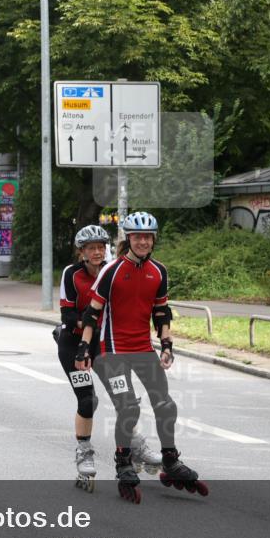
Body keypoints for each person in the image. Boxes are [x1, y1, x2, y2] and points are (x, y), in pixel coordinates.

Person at [75, 212, 207, 503]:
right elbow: (93, 312)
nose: (143, 241)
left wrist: (167, 345)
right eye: (138, 237)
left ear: (153, 239)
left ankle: (170, 460)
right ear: (129, 239)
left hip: (143, 349)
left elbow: (161, 312)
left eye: (148, 237)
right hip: (111, 352)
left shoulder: (158, 272)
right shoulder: (111, 270)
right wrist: (84, 348)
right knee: (129, 408)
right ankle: (123, 462)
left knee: (166, 405)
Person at [63, 223, 162, 494]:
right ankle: (84, 452)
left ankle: (137, 444)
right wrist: (88, 328)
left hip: (104, 346)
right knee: (87, 399)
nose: (96, 252)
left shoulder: (114, 269)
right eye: (90, 248)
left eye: (100, 247)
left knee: (125, 398)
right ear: (81, 251)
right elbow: (69, 316)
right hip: (75, 346)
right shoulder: (71, 274)